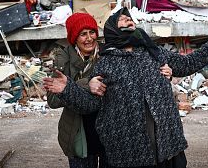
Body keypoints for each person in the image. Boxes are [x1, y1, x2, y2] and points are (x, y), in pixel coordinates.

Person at [50, 8, 208, 168]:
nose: (128, 19)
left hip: (166, 145)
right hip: (128, 150)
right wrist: (68, 89)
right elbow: (91, 103)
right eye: (123, 18)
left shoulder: (154, 53)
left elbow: (189, 63)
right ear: (113, 28)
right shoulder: (106, 62)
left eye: (130, 18)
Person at [43, 12, 173, 168]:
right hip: (80, 131)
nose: (89, 38)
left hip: (110, 129)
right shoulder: (63, 60)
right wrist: (85, 83)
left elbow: (138, 73)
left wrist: (164, 72)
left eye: (92, 32)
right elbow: (52, 100)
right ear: (74, 38)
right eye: (83, 34)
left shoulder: (110, 52)